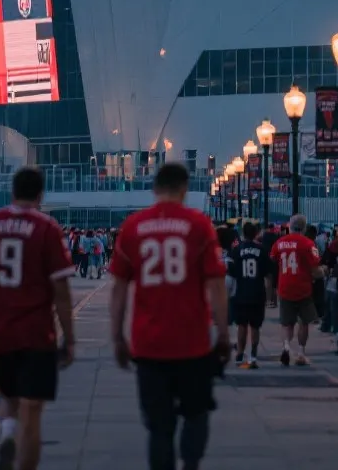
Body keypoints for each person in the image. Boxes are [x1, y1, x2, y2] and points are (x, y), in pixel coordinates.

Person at [109, 162, 229, 470]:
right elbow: (216, 285)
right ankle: (190, 463)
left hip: (148, 344)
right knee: (196, 413)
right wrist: (224, 333)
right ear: (184, 188)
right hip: (193, 342)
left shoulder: (133, 227)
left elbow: (119, 289)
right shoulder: (199, 226)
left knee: (158, 426)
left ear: (154, 189)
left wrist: (117, 336)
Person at [0, 167, 75, 470]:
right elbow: (62, 291)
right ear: (40, 195)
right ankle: (20, 451)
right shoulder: (48, 229)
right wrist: (70, 338)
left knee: (9, 395)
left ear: (12, 192)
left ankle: (8, 433)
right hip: (37, 333)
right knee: (32, 409)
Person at [270, 214, 322, 366]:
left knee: (286, 323)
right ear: (304, 227)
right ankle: (301, 352)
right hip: (303, 287)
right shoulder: (308, 244)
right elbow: (315, 269)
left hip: (285, 286)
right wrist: (323, 272)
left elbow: (273, 258)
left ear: (290, 226)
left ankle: (286, 346)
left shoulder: (279, 243)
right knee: (303, 322)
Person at [229, 221, 268, 368]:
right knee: (255, 327)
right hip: (257, 292)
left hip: (241, 292)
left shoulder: (236, 250)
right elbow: (267, 273)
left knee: (242, 326)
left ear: (243, 233)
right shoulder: (262, 250)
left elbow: (231, 274)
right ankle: (253, 355)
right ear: (256, 233)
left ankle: (239, 354)